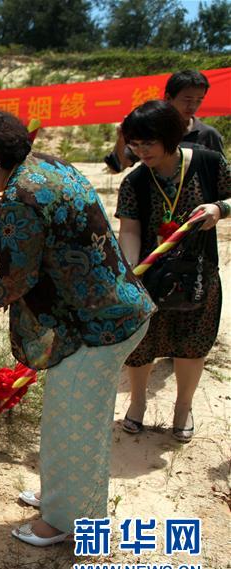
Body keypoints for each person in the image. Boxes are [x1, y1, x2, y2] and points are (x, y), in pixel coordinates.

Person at [0, 107, 154, 547]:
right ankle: (61, 496)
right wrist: (4, 201)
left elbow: (16, 280)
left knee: (78, 427)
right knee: (64, 417)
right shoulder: (45, 166)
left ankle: (67, 522)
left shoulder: (19, 198)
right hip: (107, 311)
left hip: (95, 326)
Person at [115, 100, 231, 443]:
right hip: (151, 278)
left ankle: (183, 408)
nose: (141, 152)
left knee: (192, 344)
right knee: (141, 345)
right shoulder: (135, 181)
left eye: (148, 143)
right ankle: (137, 403)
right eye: (135, 145)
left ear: (171, 135)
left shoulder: (209, 163)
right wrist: (130, 273)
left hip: (199, 274)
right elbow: (130, 230)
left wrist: (219, 209)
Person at [105, 70, 224, 173]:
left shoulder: (208, 135)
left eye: (199, 100)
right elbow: (118, 167)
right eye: (187, 100)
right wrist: (122, 138)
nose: (192, 106)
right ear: (168, 98)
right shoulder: (150, 131)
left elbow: (221, 175)